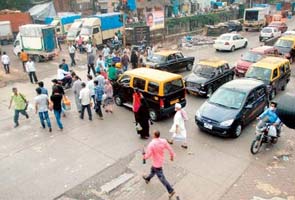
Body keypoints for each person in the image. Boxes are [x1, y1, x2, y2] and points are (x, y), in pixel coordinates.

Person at [143, 130, 176, 199]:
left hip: (156, 164)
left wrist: (144, 157)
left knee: (162, 178)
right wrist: (172, 156)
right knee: (152, 171)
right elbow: (170, 148)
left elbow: (148, 155)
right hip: (160, 161)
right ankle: (147, 179)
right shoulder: (163, 141)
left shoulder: (151, 144)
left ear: (154, 135)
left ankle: (171, 190)